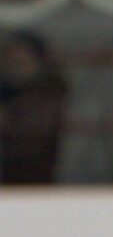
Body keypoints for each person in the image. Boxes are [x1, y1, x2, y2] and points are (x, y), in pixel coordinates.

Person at [0, 28, 68, 185]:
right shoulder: (8, 90)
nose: (14, 66)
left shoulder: (48, 92)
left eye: (21, 60)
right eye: (9, 60)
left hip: (32, 183)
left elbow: (32, 131)